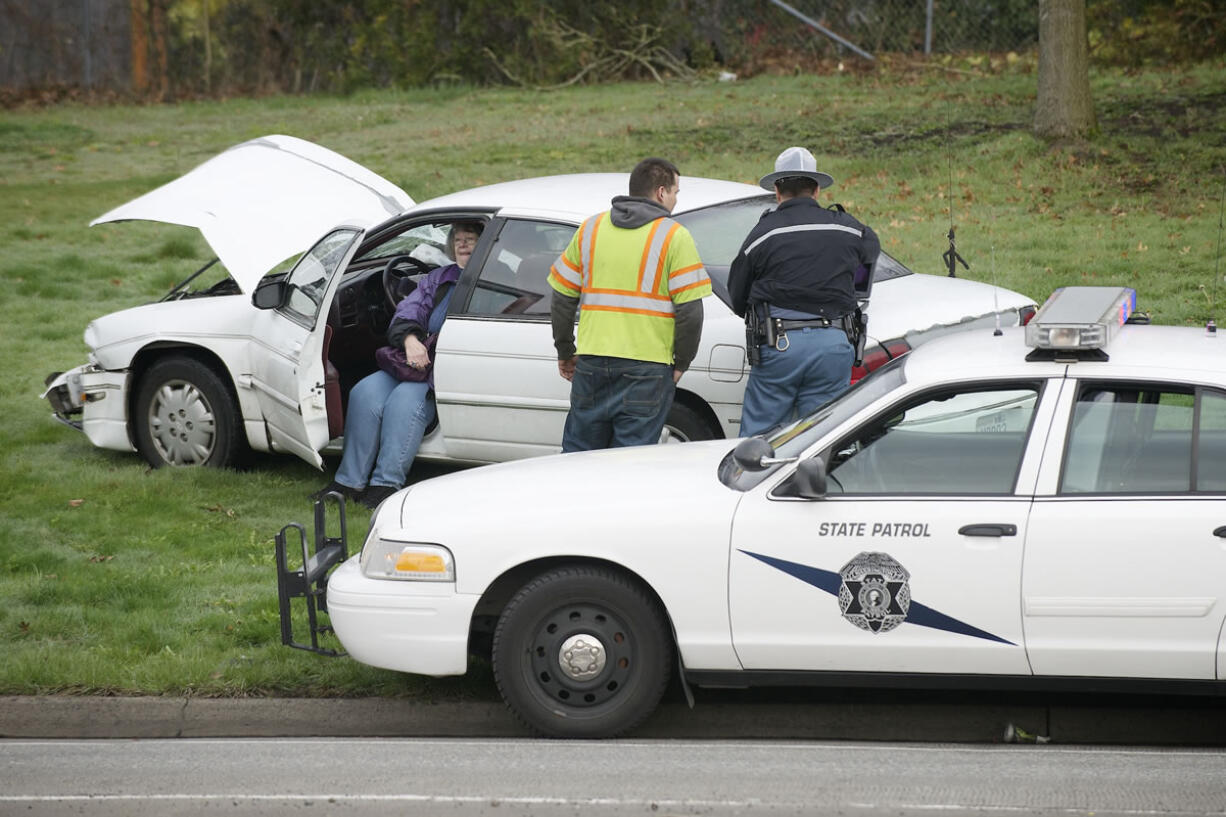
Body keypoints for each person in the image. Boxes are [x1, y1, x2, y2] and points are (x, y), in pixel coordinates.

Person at [313, 221, 483, 509]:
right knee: (364, 392)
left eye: (471, 240)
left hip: (443, 370)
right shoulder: (440, 278)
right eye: (458, 240)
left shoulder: (492, 283)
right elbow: (410, 309)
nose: (463, 245)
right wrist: (410, 339)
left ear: (486, 247)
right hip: (413, 361)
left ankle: (385, 484)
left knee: (404, 402)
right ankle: (347, 482)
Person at [548, 158, 712, 452]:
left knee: (578, 459)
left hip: (592, 363)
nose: (675, 200)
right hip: (648, 369)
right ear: (661, 193)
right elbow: (690, 312)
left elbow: (561, 297)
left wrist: (565, 350)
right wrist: (681, 363)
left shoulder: (591, 228)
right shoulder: (674, 236)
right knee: (631, 462)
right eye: (675, 192)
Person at [729, 146, 880, 437]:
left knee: (761, 441)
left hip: (780, 345)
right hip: (833, 345)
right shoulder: (847, 228)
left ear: (777, 190)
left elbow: (738, 294)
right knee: (822, 437)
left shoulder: (765, 233)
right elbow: (871, 250)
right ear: (817, 190)